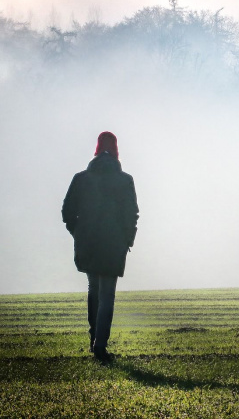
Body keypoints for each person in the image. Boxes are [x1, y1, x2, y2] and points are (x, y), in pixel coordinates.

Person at [62, 131, 138, 363]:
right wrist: (127, 239)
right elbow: (131, 214)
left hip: (88, 242)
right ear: (116, 151)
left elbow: (67, 212)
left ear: (96, 150)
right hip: (113, 244)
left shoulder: (81, 178)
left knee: (93, 290)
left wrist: (79, 232)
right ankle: (100, 347)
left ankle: (93, 339)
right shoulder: (125, 180)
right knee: (107, 295)